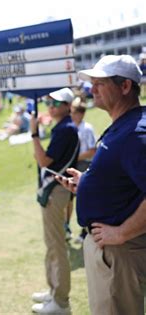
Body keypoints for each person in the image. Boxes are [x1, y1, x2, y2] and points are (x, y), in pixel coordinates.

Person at [57, 55, 146, 315]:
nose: (91, 89)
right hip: (112, 250)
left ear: (125, 86)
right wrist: (87, 185)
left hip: (120, 251)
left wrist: (122, 233)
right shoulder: (124, 126)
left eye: (100, 83)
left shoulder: (135, 133)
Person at [30, 87, 79, 314]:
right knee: (51, 244)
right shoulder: (63, 127)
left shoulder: (65, 129)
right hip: (55, 190)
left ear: (68, 106)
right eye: (50, 101)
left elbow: (42, 160)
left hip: (56, 191)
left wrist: (34, 134)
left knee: (57, 246)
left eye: (57, 103)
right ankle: (53, 292)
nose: (51, 106)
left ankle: (61, 301)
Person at [66, 98, 97, 244]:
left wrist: (76, 157)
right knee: (69, 199)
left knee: (83, 199)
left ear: (81, 113)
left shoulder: (87, 128)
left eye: (74, 112)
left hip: (83, 165)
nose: (72, 114)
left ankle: (84, 231)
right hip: (73, 165)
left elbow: (92, 150)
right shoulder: (70, 127)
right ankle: (67, 227)